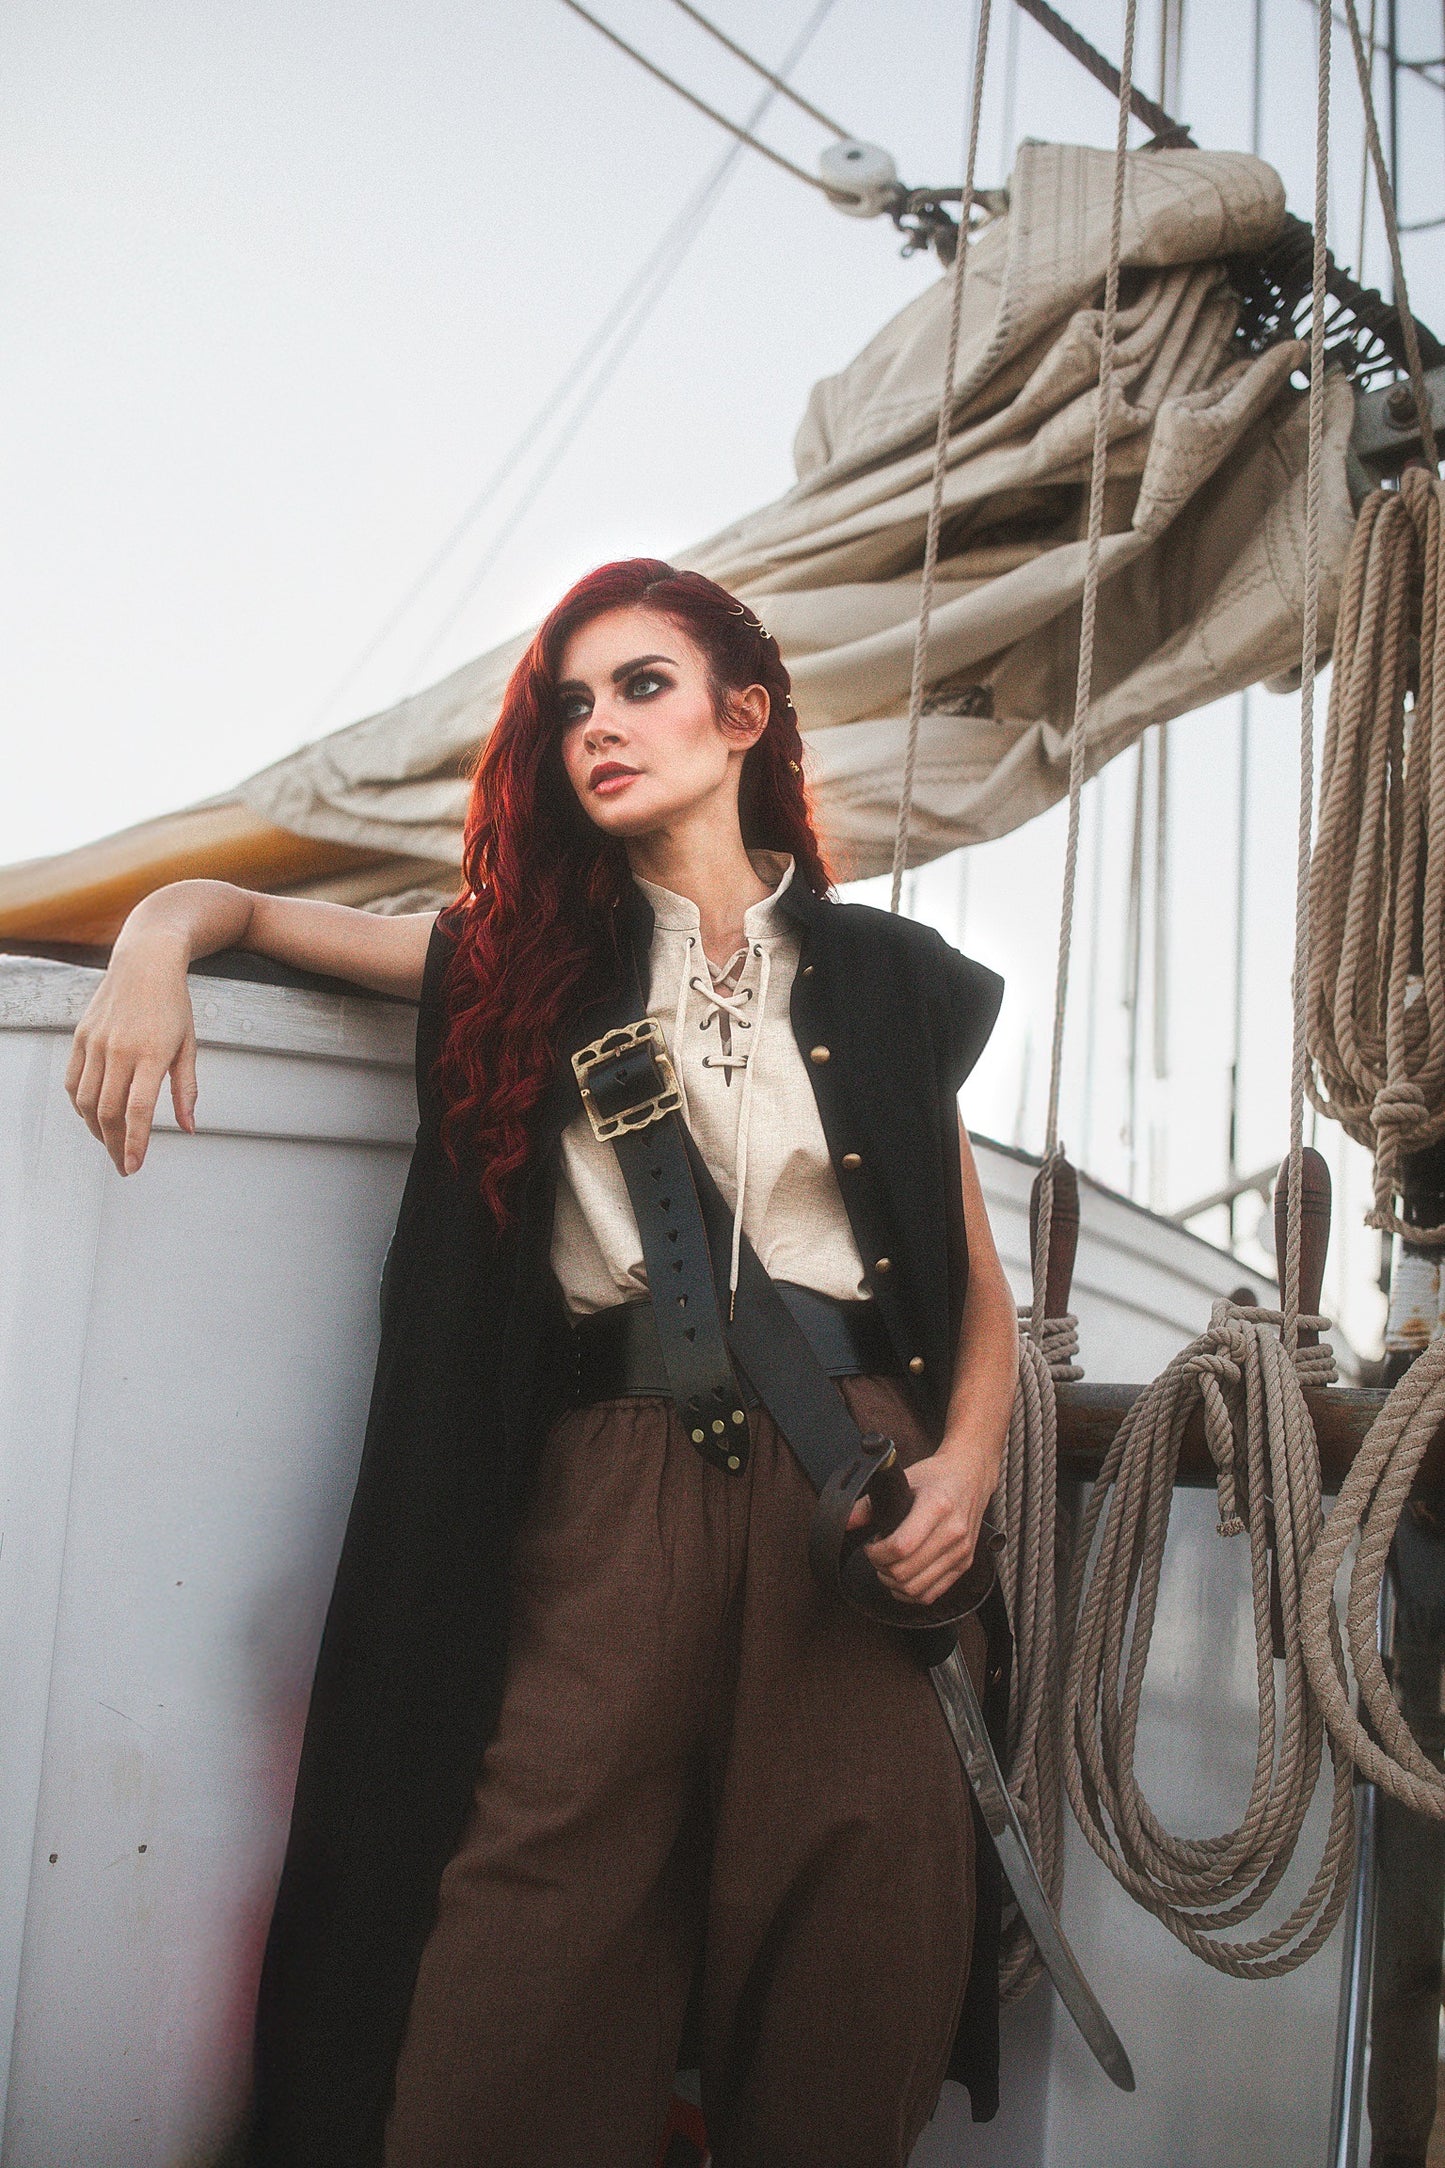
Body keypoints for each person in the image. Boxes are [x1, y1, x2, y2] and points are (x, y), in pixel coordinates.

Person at [66, 558, 1018, 2168]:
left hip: (857, 1486)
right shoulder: (507, 959)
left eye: (640, 686)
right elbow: (235, 909)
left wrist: (972, 1463)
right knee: (518, 1963)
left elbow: (971, 1287)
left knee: (856, 1956)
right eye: (568, 703)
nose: (596, 726)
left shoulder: (884, 979)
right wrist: (155, 948)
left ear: (741, 716)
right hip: (610, 1486)